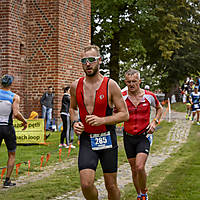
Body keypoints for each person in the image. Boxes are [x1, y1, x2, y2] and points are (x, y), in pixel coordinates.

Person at [69, 45, 129, 200]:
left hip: (107, 139)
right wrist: (75, 122)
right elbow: (73, 108)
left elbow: (124, 114)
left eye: (91, 60)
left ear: (99, 61)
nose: (88, 64)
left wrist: (102, 120)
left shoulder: (110, 85)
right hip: (87, 139)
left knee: (111, 186)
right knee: (86, 185)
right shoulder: (75, 86)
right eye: (84, 61)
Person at [122, 69, 163, 200]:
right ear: (125, 82)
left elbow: (159, 108)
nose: (131, 84)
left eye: (134, 81)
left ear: (139, 81)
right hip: (128, 136)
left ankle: (144, 193)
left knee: (140, 167)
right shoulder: (121, 96)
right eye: (128, 82)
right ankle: (139, 194)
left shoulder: (149, 96)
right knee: (134, 169)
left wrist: (155, 122)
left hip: (143, 135)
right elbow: (113, 111)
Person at [0, 74, 27, 188]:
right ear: (11, 84)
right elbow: (16, 113)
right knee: (11, 154)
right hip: (7, 127)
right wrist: (24, 121)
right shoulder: (14, 96)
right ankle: (7, 181)